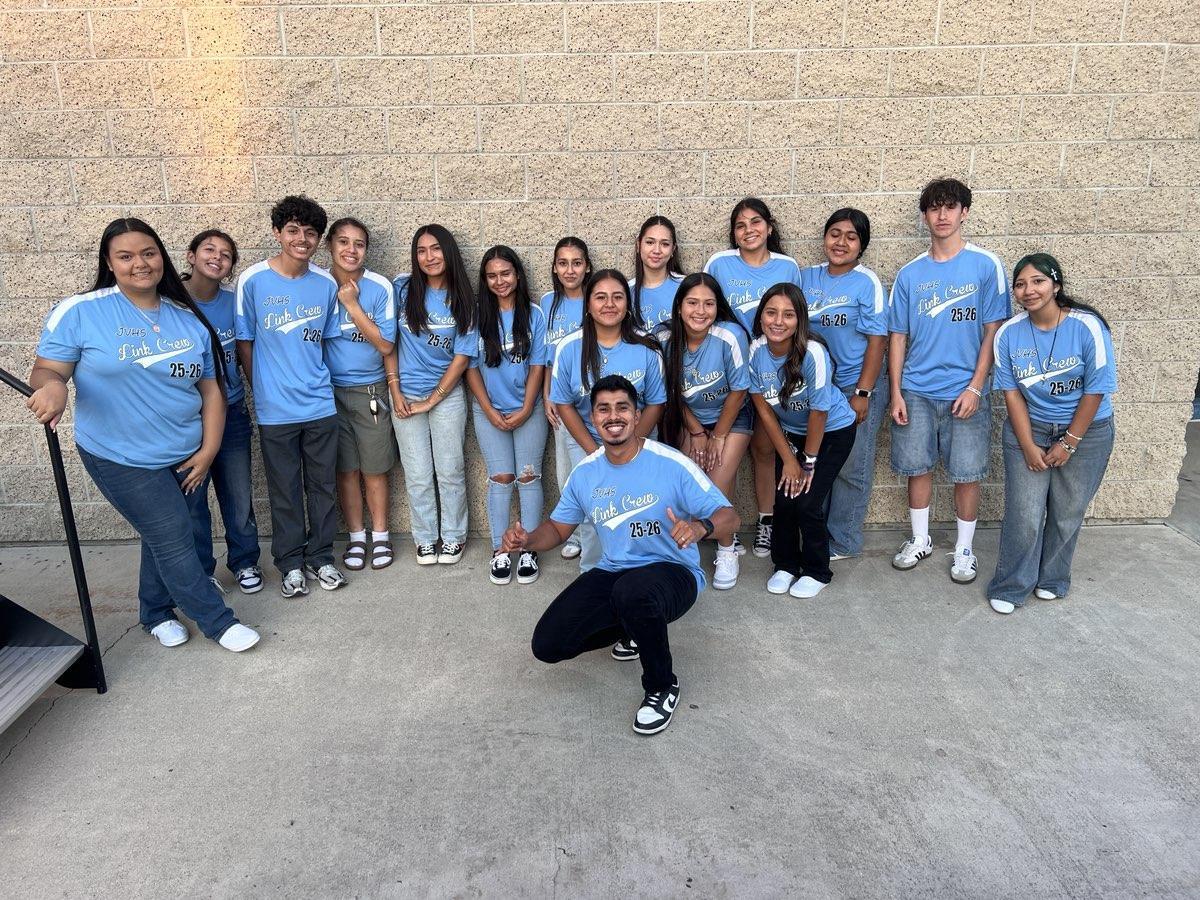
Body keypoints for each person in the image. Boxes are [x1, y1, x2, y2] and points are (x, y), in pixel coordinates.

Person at [26, 218, 259, 652]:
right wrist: (53, 387)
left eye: (148, 253)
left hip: (185, 452)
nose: (140, 263)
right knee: (174, 533)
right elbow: (47, 369)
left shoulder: (186, 317)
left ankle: (155, 612)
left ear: (162, 257)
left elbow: (210, 390)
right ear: (109, 262)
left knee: (161, 535)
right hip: (120, 455)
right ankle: (218, 621)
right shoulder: (80, 311)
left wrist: (209, 450)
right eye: (126, 256)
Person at [503, 375, 738, 735]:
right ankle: (634, 628)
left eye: (622, 408)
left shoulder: (669, 463)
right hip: (615, 571)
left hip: (673, 572)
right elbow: (558, 530)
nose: (613, 416)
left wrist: (700, 528)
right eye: (603, 409)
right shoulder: (586, 473)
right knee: (548, 644)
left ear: (637, 415)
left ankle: (662, 686)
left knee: (634, 593)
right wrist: (528, 540)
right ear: (593, 418)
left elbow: (730, 517)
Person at [888, 178, 1010, 585]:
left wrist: (976, 386)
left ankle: (964, 549)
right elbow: (897, 337)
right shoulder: (909, 274)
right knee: (917, 468)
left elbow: (994, 331)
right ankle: (920, 539)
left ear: (964, 212)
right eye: (934, 208)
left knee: (967, 472)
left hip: (966, 391)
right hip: (916, 390)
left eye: (950, 207)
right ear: (925, 216)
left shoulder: (985, 265)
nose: (942, 215)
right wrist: (896, 392)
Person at [987, 254, 1116, 615]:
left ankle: (1053, 579)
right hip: (1030, 427)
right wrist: (1028, 445)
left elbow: (1096, 390)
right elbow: (1011, 394)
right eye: (1020, 284)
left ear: (1056, 285)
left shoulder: (1087, 326)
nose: (1028, 290)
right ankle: (1011, 586)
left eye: (1038, 281)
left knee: (1067, 511)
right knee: (1025, 515)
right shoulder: (1008, 334)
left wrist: (1070, 442)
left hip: (1087, 432)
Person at [236, 195, 347, 597]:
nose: (302, 239)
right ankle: (290, 563)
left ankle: (321, 557)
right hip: (275, 411)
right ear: (277, 233)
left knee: (323, 487)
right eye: (293, 230)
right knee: (284, 490)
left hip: (319, 404)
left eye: (310, 232)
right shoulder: (252, 280)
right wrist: (263, 388)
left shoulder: (326, 284)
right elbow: (244, 342)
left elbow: (327, 343)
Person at [704, 197, 803, 560]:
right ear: (734, 233)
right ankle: (724, 526)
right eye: (741, 225)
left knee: (763, 449)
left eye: (756, 222)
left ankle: (766, 522)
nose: (749, 230)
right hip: (727, 375)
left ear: (769, 227)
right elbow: (706, 313)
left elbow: (795, 317)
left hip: (769, 374)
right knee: (723, 454)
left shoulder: (787, 266)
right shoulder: (719, 263)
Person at [550, 269, 667, 574]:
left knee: (639, 506)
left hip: (638, 439)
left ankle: (639, 571)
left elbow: (656, 401)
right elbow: (564, 403)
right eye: (600, 297)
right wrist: (596, 453)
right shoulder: (569, 347)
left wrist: (630, 447)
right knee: (594, 510)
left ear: (628, 305)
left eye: (617, 297)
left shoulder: (647, 346)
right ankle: (594, 573)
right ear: (588, 305)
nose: (609, 304)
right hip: (586, 439)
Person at [748, 284, 858, 599]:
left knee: (808, 502)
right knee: (784, 498)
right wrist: (789, 460)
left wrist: (807, 463)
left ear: (800, 320)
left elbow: (819, 413)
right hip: (791, 434)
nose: (778, 321)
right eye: (771, 312)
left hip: (832, 431)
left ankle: (817, 571)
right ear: (761, 316)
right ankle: (785, 564)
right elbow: (764, 411)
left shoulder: (813, 352)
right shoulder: (756, 351)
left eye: (788, 315)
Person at [386, 224, 478, 565]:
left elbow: (462, 356)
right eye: (421, 250)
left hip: (446, 396)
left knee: (450, 470)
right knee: (418, 473)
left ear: (448, 251)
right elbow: (388, 343)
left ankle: (453, 536)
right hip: (404, 395)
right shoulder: (401, 288)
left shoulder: (465, 297)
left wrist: (434, 398)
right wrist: (394, 388)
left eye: (436, 248)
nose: (429, 257)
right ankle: (425, 538)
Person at [800, 208, 888, 561]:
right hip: (817, 389)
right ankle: (815, 536)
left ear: (861, 245)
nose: (841, 242)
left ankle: (843, 541)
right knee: (816, 462)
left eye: (851, 237)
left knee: (851, 467)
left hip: (854, 385)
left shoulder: (868, 282)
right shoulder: (806, 276)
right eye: (835, 233)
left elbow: (878, 340)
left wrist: (863, 393)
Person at [181, 228, 263, 595]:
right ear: (191, 256)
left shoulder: (234, 302)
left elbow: (247, 350)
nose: (217, 257)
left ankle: (244, 561)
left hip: (231, 412)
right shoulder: (171, 303)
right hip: (186, 419)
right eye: (209, 250)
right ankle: (202, 571)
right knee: (193, 501)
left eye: (226, 254)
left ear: (231, 267)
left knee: (238, 495)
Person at [660, 272, 752, 589]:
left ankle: (727, 550)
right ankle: (689, 548)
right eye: (692, 303)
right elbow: (671, 391)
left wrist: (719, 436)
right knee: (690, 482)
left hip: (731, 417)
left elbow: (739, 390)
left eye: (708, 304)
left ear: (718, 306)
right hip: (691, 418)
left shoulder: (730, 334)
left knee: (717, 482)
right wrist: (698, 432)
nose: (700, 311)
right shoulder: (665, 338)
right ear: (679, 306)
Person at [465, 246, 549, 586]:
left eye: (505, 273)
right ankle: (500, 549)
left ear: (517, 275)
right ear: (485, 280)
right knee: (500, 478)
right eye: (492, 276)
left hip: (529, 408)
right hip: (489, 410)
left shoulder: (534, 314)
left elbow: (538, 365)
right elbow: (470, 368)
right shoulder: (475, 317)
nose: (500, 281)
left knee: (528, 477)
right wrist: (489, 410)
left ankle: (528, 547)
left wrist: (527, 408)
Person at [323, 217, 398, 572]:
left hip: (370, 390)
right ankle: (356, 537)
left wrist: (352, 305)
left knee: (374, 468)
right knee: (346, 469)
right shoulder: (317, 284)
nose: (351, 250)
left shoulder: (379, 286)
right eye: (343, 242)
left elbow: (385, 344)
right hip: (328, 393)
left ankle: (380, 536)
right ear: (330, 246)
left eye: (359, 243)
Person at [540, 236, 592, 561]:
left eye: (576, 263)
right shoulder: (548, 302)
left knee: (593, 466)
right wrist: (548, 395)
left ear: (587, 267)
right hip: (561, 399)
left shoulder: (596, 297)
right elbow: (549, 357)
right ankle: (573, 531)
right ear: (555, 268)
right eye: (563, 263)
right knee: (566, 471)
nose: (570, 270)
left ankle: (595, 531)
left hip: (591, 398)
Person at [629, 215, 685, 332]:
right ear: (638, 245)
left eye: (665, 244)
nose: (657, 250)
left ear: (673, 249)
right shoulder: (626, 291)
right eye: (650, 242)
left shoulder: (686, 286)